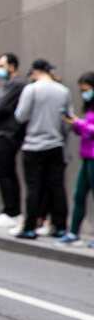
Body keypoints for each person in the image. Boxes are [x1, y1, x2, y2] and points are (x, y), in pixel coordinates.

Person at [14, 59, 71, 240]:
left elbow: (20, 116)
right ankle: (60, 226)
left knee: (34, 187)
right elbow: (67, 120)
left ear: (35, 72)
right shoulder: (63, 91)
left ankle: (30, 227)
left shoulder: (31, 89)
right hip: (56, 144)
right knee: (57, 186)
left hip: (33, 145)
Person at [0, 53, 28, 229]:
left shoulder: (17, 84)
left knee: (5, 172)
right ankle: (11, 211)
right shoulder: (7, 86)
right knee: (3, 172)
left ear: (12, 66)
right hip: (1, 133)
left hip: (8, 134)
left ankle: (12, 211)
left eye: (1, 66)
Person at [60, 73, 94, 245]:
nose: (84, 93)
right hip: (87, 156)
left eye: (86, 90)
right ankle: (73, 232)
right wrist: (75, 124)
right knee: (79, 194)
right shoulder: (89, 108)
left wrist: (79, 123)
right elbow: (86, 130)